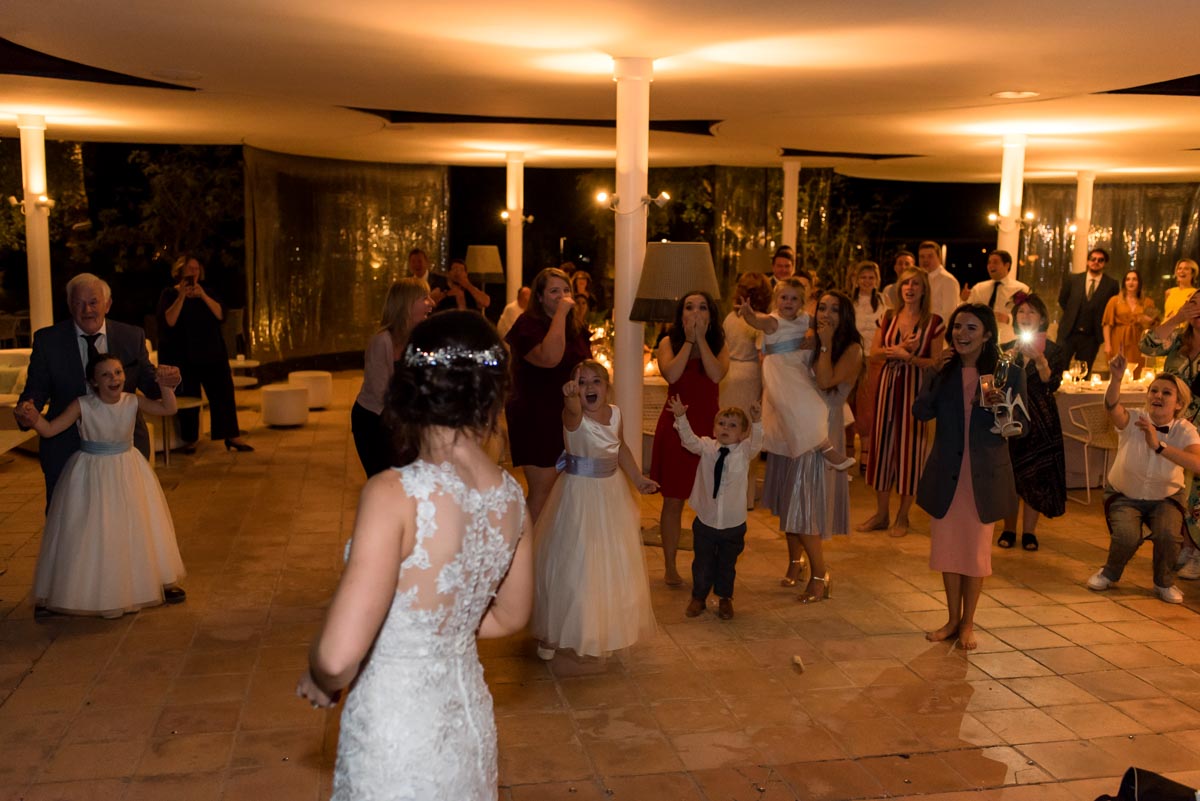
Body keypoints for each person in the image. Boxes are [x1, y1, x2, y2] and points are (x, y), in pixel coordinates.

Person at [296, 311, 533, 800]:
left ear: (409, 388)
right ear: (491, 395)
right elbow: (511, 617)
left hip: (398, 732)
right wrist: (439, 631)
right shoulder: (511, 498)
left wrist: (321, 675)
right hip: (466, 725)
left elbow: (338, 657)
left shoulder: (394, 494)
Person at [16, 353, 186, 618]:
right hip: (90, 473)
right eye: (105, 375)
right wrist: (33, 418)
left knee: (133, 526)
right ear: (93, 382)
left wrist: (166, 386)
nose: (113, 379)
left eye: (118, 372)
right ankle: (88, 590)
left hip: (128, 470)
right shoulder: (83, 405)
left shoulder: (132, 401)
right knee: (92, 530)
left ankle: (134, 586)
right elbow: (49, 430)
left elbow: (168, 409)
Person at [915, 304, 1025, 650]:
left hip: (982, 476)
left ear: (988, 334)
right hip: (947, 473)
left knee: (975, 553)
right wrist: (933, 373)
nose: (961, 334)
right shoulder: (944, 370)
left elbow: (1022, 426)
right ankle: (951, 620)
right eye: (957, 326)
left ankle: (967, 624)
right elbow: (921, 411)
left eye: (971, 328)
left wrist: (1002, 410)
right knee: (948, 550)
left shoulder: (1007, 373)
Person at [17, 273, 179, 506]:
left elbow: (151, 386)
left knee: (126, 516)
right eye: (79, 303)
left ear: (107, 304)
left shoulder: (131, 336)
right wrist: (27, 411)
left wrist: (169, 381)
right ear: (70, 305)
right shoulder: (48, 340)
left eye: (93, 302)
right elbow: (36, 390)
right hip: (64, 450)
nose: (87, 310)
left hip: (124, 455)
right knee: (71, 520)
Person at [531, 360, 658, 659]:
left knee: (610, 562)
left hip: (611, 494)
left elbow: (620, 447)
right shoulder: (573, 416)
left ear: (606, 386)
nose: (589, 387)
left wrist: (638, 479)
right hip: (579, 496)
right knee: (576, 563)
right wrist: (569, 397)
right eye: (582, 382)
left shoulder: (616, 414)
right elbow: (572, 409)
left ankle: (603, 630)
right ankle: (553, 633)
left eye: (595, 381)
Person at [763, 291, 863, 600]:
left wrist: (826, 343)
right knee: (789, 500)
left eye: (834, 309)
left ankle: (821, 575)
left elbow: (824, 381)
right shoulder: (811, 339)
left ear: (845, 316)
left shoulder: (852, 350)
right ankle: (796, 562)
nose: (826, 314)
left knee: (804, 505)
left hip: (821, 429)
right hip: (794, 424)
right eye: (822, 308)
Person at [1086, 354, 1200, 605]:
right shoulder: (1134, 419)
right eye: (1154, 391)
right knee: (1127, 536)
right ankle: (1109, 573)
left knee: (1169, 536)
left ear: (1179, 403)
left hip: (1166, 498)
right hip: (1125, 495)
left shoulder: (1184, 429)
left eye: (1166, 393)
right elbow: (1112, 406)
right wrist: (1116, 379)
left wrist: (1159, 446)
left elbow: (1197, 464)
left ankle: (1163, 583)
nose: (1158, 396)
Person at [650, 291, 729, 587]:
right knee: (673, 500)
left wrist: (702, 341)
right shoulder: (668, 343)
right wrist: (688, 341)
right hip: (676, 427)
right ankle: (670, 566)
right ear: (680, 314)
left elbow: (716, 374)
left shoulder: (720, 344)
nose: (696, 313)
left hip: (709, 429)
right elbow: (671, 375)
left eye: (703, 307)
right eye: (689, 307)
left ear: (711, 315)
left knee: (711, 500)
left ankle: (708, 566)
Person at [860, 267, 945, 538]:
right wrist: (894, 351)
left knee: (910, 452)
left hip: (915, 391)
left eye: (916, 284)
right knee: (881, 450)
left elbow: (937, 362)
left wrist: (909, 357)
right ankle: (881, 514)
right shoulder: (887, 318)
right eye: (906, 283)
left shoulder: (934, 323)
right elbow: (873, 353)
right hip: (887, 388)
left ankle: (903, 516)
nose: (910, 288)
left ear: (924, 289)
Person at [505, 267, 592, 523]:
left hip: (569, 415)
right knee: (543, 491)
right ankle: (526, 545)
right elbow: (550, 358)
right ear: (540, 297)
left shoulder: (576, 327)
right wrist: (562, 313)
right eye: (554, 291)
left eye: (566, 290)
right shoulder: (527, 325)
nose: (562, 296)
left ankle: (554, 545)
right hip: (536, 416)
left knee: (566, 492)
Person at [672, 397, 762, 620]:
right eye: (721, 424)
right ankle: (698, 597)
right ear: (714, 428)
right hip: (706, 520)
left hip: (733, 523)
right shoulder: (706, 447)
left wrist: (757, 421)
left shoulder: (744, 451)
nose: (725, 428)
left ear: (742, 434)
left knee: (727, 565)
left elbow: (757, 442)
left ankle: (725, 598)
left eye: (732, 425)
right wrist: (681, 417)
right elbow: (688, 441)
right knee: (702, 563)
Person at [156, 253, 252, 453]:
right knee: (189, 396)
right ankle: (190, 439)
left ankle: (231, 435)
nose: (194, 272)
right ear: (180, 271)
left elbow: (221, 315)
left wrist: (203, 296)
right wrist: (182, 296)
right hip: (184, 355)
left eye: (196, 269)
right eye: (190, 269)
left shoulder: (208, 292)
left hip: (212, 352)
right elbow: (169, 321)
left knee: (223, 393)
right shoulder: (169, 294)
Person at [998, 293, 1069, 551]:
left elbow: (1052, 384)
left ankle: (1029, 532)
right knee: (1010, 477)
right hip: (1012, 418)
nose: (1025, 316)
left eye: (1031, 312)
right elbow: (997, 383)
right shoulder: (1005, 347)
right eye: (1021, 312)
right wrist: (1007, 360)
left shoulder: (1054, 350)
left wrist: (1040, 361)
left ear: (1041, 319)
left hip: (1041, 419)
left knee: (1036, 475)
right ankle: (1008, 528)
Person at [1139, 293, 1200, 578]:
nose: (1197, 309)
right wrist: (1177, 318)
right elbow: (1147, 345)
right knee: (1178, 487)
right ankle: (1184, 544)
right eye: (1194, 302)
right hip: (1175, 426)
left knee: (1198, 490)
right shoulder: (1177, 341)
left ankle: (1196, 550)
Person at [351, 278, 433, 476]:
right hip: (373, 422)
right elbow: (382, 394)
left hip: (400, 422)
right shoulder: (382, 342)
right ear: (406, 304)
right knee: (384, 481)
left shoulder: (415, 340)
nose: (431, 303)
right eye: (424, 298)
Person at [720, 272, 769, 508]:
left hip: (729, 375)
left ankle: (724, 490)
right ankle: (746, 497)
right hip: (750, 375)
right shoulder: (760, 321)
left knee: (726, 430)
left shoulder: (730, 318)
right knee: (748, 434)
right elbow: (762, 357)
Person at [1058, 248, 1120, 371]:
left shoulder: (1111, 284)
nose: (1096, 262)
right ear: (1088, 261)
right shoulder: (1073, 279)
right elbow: (1062, 300)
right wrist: (1072, 314)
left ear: (1105, 263)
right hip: (1068, 333)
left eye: (1100, 260)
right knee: (1059, 367)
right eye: (1093, 259)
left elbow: (1111, 309)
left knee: (1084, 372)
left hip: (1092, 337)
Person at [850, 261, 886, 469]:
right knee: (849, 404)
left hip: (874, 358)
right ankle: (847, 449)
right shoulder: (850, 302)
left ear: (877, 280)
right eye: (863, 277)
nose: (867, 281)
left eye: (871, 277)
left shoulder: (883, 301)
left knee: (868, 406)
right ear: (856, 280)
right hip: (852, 356)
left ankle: (866, 452)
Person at [960, 250, 1029, 345]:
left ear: (1007, 265)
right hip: (981, 341)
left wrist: (1008, 319)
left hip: (1009, 340)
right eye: (989, 262)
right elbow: (966, 313)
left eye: (995, 262)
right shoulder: (979, 288)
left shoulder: (1021, 289)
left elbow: (1028, 316)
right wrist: (963, 300)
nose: (991, 265)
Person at [1103, 269, 1157, 372]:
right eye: (1128, 279)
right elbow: (1107, 324)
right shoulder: (1114, 301)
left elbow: (1153, 324)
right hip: (1118, 340)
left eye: (1134, 279)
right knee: (1118, 371)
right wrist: (1107, 345)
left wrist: (1145, 320)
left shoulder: (1147, 302)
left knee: (1137, 370)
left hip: (1138, 341)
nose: (1131, 282)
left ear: (1139, 283)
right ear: (1124, 283)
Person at [918, 240, 960, 323]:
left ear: (939, 258)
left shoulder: (948, 281)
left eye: (930, 256)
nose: (925, 260)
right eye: (922, 257)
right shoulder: (920, 279)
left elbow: (949, 314)